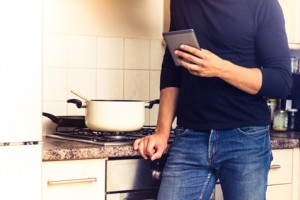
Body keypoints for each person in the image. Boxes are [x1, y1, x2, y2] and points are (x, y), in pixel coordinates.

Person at [133, 0, 293, 199]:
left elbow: (282, 82)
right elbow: (172, 69)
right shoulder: (181, 3)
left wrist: (221, 69)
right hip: (189, 137)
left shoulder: (262, 3)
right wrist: (162, 132)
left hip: (245, 139)